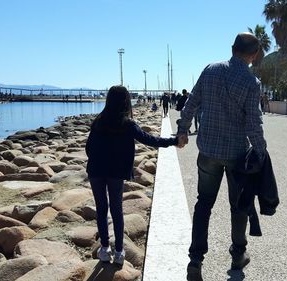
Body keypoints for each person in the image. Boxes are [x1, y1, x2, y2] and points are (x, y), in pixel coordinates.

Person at [177, 32, 267, 281]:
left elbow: (192, 102)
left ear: (232, 48)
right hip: (237, 155)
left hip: (207, 152)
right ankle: (238, 255)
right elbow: (254, 123)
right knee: (238, 207)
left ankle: (195, 261)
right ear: (254, 54)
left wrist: (183, 130)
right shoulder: (251, 82)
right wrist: (261, 151)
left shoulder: (210, 70)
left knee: (203, 204)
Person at [85, 86, 182, 265]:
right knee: (116, 209)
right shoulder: (127, 124)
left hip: (96, 170)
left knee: (101, 209)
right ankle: (120, 252)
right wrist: (174, 141)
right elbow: (150, 140)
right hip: (115, 172)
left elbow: (88, 148)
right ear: (126, 101)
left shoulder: (98, 121)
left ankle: (105, 249)